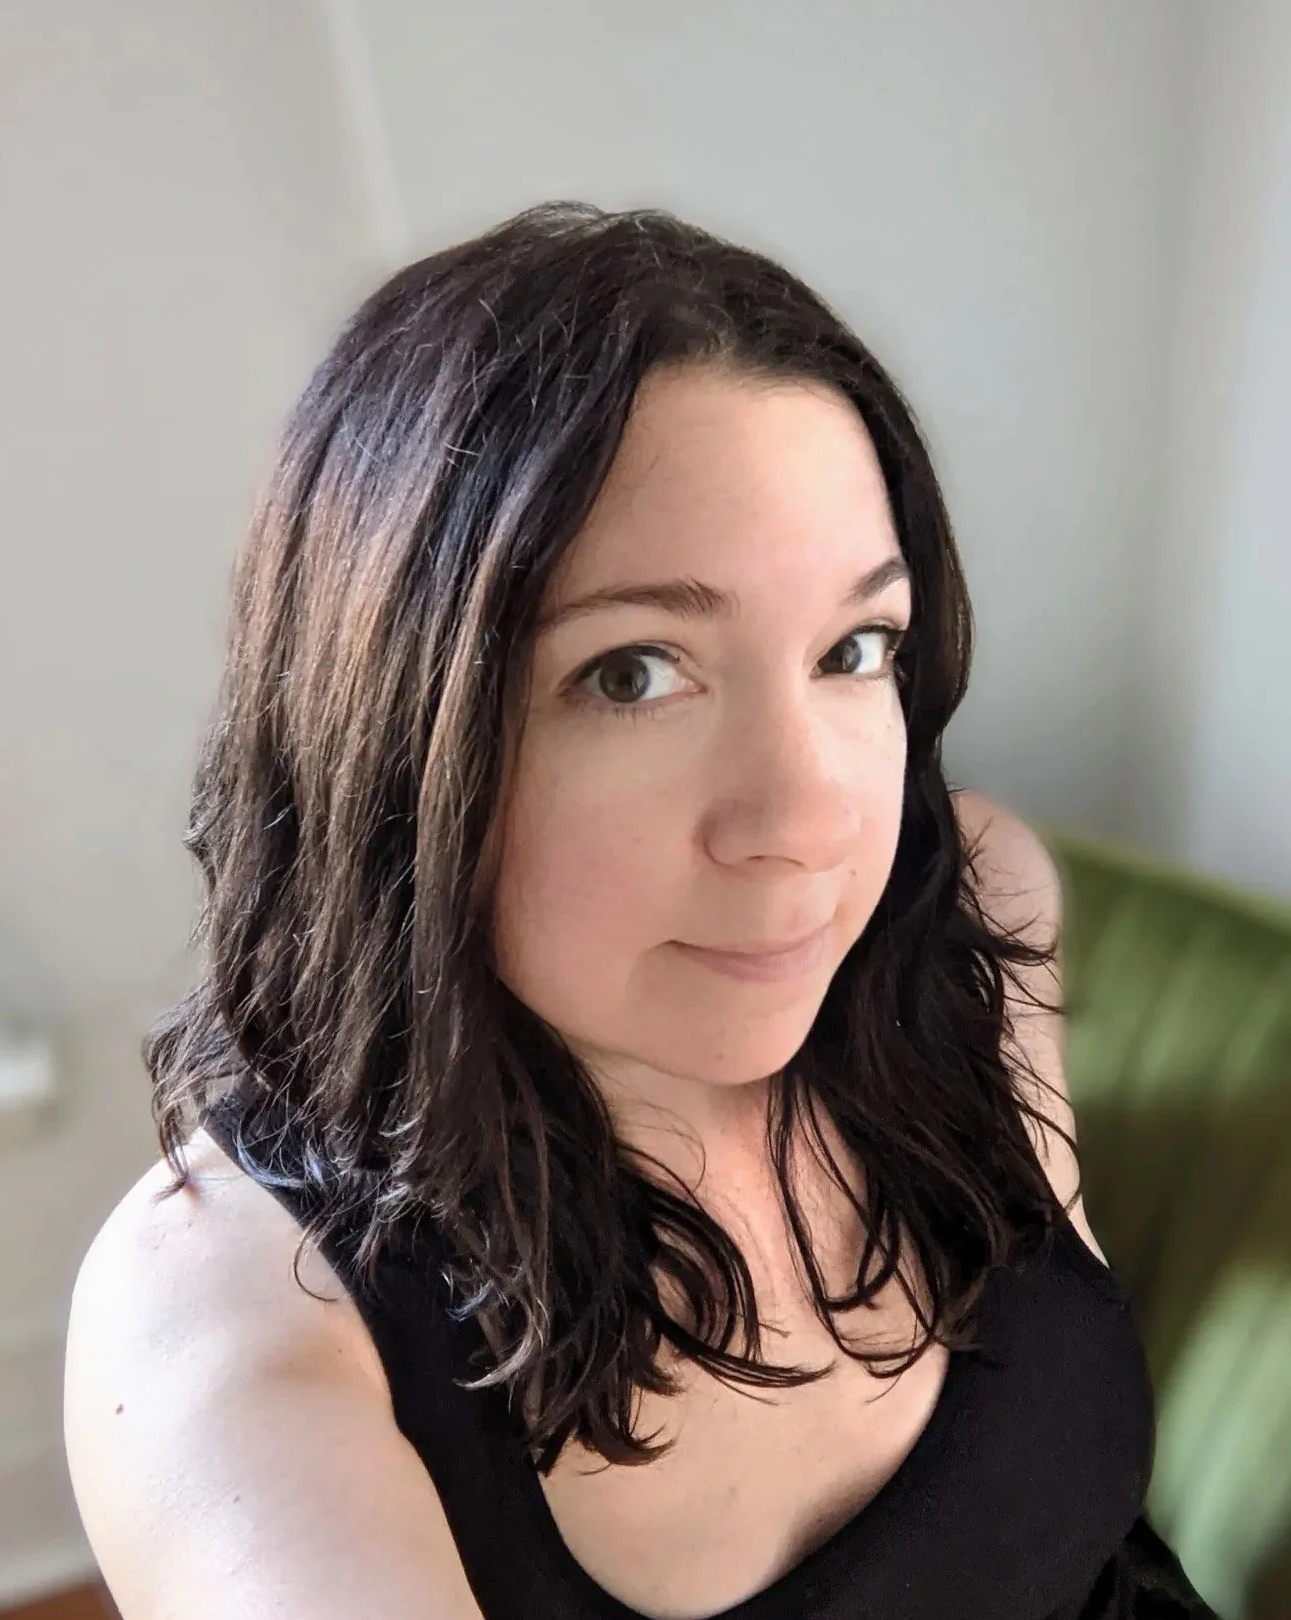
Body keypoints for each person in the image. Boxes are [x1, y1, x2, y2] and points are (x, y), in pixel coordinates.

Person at [63, 201, 1218, 1619]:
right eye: (633, 674)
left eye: (856, 649)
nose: (807, 823)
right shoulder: (225, 1318)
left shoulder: (965, 900)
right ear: (391, 737)